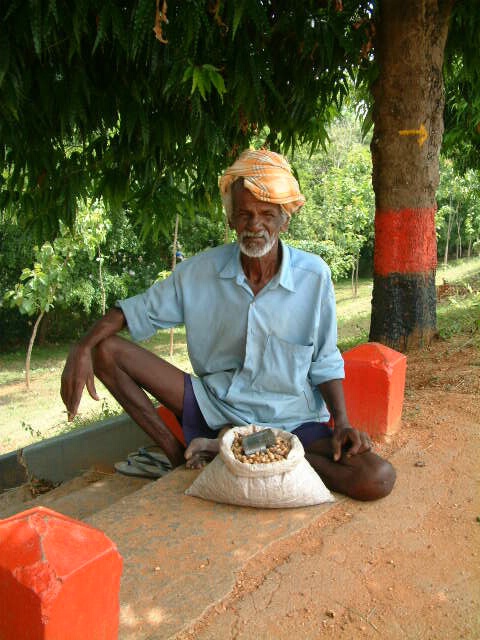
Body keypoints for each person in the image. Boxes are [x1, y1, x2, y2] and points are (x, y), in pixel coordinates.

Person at [61, 149, 396, 501]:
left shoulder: (314, 276)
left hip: (293, 421)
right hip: (216, 405)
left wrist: (342, 423)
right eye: (244, 214)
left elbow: (325, 361)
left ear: (285, 221)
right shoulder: (197, 273)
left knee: (377, 478)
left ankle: (235, 450)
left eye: (267, 214)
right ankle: (181, 456)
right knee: (106, 350)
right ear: (230, 220)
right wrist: (82, 346)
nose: (255, 225)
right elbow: (133, 311)